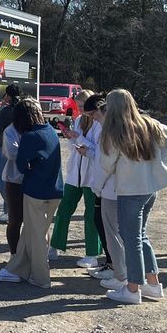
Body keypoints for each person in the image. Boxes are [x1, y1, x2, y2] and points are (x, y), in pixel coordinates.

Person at [97, 89, 167, 304]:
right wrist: (161, 158)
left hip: (130, 191)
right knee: (140, 236)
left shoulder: (114, 132)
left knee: (131, 240)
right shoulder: (149, 123)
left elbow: (106, 164)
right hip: (150, 190)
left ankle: (133, 288)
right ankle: (153, 284)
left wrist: (100, 184)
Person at [0, 99, 63, 288]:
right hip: (54, 190)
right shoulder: (51, 131)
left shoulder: (29, 135)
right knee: (34, 231)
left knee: (35, 235)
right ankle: (17, 268)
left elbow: (21, 165)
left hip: (35, 191)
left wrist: (30, 162)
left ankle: (40, 277)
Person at [49, 90, 102, 268]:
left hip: (92, 176)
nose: (81, 110)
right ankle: (55, 246)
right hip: (75, 175)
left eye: (83, 106)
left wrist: (79, 138)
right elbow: (75, 147)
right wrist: (70, 137)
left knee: (91, 215)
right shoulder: (78, 120)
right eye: (78, 106)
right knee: (63, 210)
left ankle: (92, 254)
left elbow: (98, 151)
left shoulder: (100, 124)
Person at [83, 94, 125, 285]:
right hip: (116, 186)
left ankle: (119, 273)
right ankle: (117, 268)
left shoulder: (110, 130)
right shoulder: (130, 125)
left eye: (92, 114)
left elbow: (105, 164)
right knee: (128, 234)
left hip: (111, 187)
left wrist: (97, 187)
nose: (92, 118)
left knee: (114, 232)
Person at [0, 85, 21, 222]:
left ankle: (11, 208)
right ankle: (7, 207)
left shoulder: (7, 110)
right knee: (10, 177)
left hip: (3, 147)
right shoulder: (21, 108)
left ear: (7, 96)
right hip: (19, 147)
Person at [0, 118, 25, 255]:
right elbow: (11, 152)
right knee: (15, 219)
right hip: (14, 179)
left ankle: (35, 255)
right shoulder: (11, 129)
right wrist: (32, 152)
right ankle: (15, 255)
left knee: (36, 221)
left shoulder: (39, 128)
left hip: (34, 180)